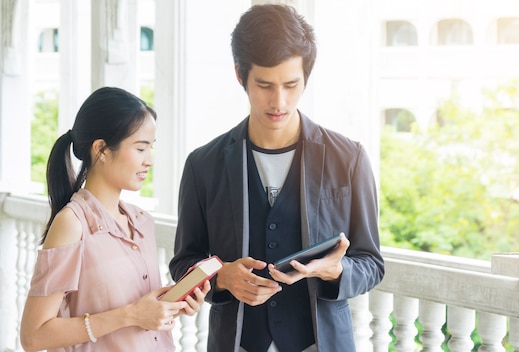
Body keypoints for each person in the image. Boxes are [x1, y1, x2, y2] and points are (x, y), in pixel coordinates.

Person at [169, 4, 384, 352]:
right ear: (240, 75)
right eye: (264, 85)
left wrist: (336, 271)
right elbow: (183, 262)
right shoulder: (202, 165)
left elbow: (371, 263)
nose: (278, 101)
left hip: (320, 342)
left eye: (291, 84)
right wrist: (221, 277)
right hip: (236, 342)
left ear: (306, 78)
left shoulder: (349, 158)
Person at [19, 87, 210, 352]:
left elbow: (139, 315)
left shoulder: (142, 222)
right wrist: (131, 314)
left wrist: (169, 305)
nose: (150, 161)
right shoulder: (72, 224)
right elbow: (34, 336)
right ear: (102, 150)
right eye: (141, 148)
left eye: (150, 148)